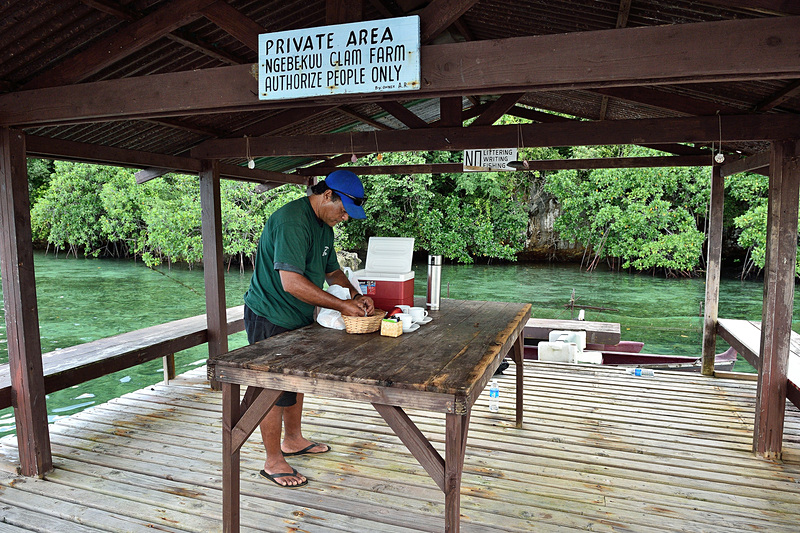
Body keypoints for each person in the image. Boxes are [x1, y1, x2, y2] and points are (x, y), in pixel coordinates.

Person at [243, 169, 374, 488]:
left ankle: (293, 440)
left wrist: (354, 293)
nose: (344, 217)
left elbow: (331, 272)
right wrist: (343, 306)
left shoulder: (324, 225)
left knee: (295, 379)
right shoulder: (292, 221)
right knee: (271, 389)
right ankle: (273, 460)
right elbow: (291, 282)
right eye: (343, 210)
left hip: (299, 318)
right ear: (327, 194)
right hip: (270, 315)